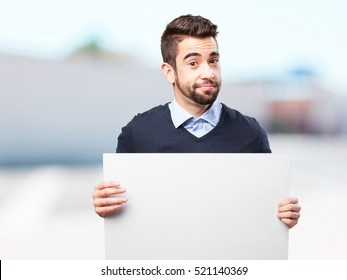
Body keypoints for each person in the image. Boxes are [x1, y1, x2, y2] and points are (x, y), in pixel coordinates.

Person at [93, 15, 301, 229]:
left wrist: (284, 215)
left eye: (213, 61)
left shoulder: (250, 133)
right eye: (193, 63)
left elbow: (266, 209)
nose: (208, 72)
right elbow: (123, 212)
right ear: (169, 72)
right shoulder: (138, 133)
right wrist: (106, 204)